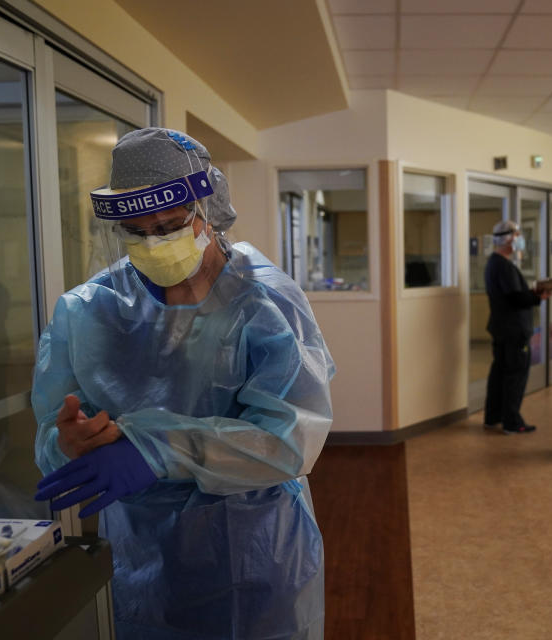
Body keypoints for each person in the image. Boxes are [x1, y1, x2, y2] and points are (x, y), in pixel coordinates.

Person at [32, 128, 335, 639]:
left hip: (254, 550)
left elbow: (290, 440)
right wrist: (68, 444)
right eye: (137, 230)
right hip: (144, 559)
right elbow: (55, 436)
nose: (154, 242)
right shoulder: (89, 310)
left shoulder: (263, 303)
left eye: (171, 225)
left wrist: (159, 449)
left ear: (207, 211)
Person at [483, 219, 550, 434]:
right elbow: (515, 299)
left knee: (499, 372)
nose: (520, 239)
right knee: (515, 374)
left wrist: (532, 294)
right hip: (514, 332)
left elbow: (509, 295)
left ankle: (493, 416)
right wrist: (538, 295)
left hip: (501, 328)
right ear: (509, 239)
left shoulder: (493, 263)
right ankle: (512, 421)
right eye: (518, 235)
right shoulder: (504, 267)